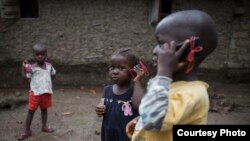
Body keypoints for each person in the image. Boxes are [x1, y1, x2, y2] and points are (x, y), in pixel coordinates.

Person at [127, 9, 218, 141]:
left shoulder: (193, 94)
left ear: (189, 52)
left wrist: (163, 72)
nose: (155, 50)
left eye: (162, 44)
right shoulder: (168, 85)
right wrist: (140, 121)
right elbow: (156, 111)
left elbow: (152, 120)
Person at [95, 48, 148, 141]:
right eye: (112, 67)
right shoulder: (107, 90)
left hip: (126, 136)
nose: (115, 71)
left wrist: (137, 81)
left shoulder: (136, 91)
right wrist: (99, 109)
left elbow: (140, 106)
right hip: (108, 134)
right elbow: (102, 104)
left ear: (133, 71)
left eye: (121, 68)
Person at [18, 43, 56, 140]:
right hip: (35, 93)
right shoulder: (31, 68)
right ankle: (27, 131)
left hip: (46, 93)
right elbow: (25, 76)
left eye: (42, 54)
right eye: (37, 54)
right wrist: (23, 67)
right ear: (33, 56)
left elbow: (53, 74)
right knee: (31, 112)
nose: (40, 56)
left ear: (46, 55)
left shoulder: (49, 66)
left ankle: (44, 126)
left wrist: (48, 83)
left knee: (44, 110)